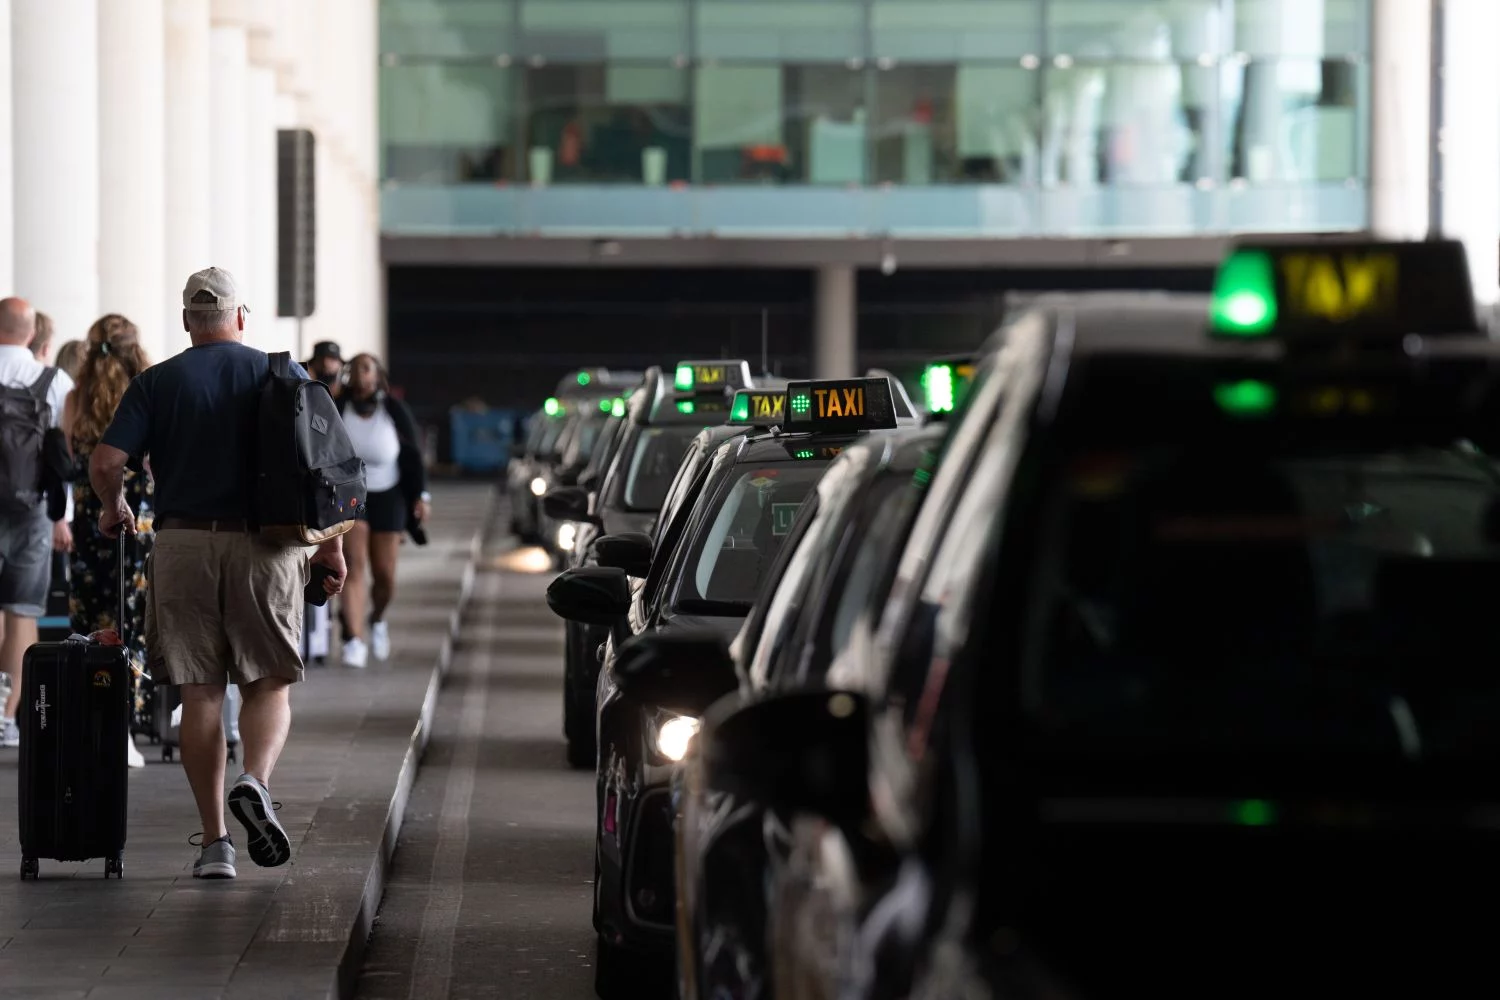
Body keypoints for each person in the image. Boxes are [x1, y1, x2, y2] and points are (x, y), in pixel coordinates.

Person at [90, 267, 346, 879]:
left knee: (199, 691)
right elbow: (334, 474)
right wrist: (333, 551)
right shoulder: (284, 375)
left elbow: (106, 460)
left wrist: (113, 505)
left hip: (180, 543)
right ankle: (254, 781)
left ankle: (215, 844)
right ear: (240, 317)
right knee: (267, 682)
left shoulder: (158, 381)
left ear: (187, 322)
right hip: (267, 546)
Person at [62, 315, 153, 769]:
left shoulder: (76, 401)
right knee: (131, 621)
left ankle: (88, 725)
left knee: (91, 622)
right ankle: (126, 729)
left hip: (89, 523)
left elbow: (66, 464)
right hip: (136, 527)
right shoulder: (147, 395)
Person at [0, 298, 73, 748]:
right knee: (22, 611)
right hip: (32, 508)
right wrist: (61, 516)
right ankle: (9, 718)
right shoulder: (52, 380)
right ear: (32, 334)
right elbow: (62, 457)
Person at [336, 353, 429, 668]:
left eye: (367, 368)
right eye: (355, 368)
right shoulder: (338, 407)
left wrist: (421, 496)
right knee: (354, 566)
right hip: (351, 495)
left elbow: (414, 454)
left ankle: (376, 619)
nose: (360, 374)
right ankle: (354, 639)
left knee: (385, 577)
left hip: (389, 494)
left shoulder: (393, 409)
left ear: (376, 376)